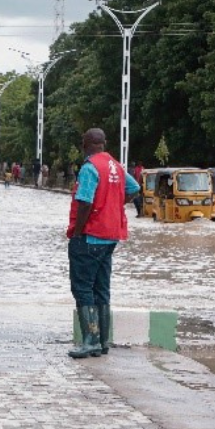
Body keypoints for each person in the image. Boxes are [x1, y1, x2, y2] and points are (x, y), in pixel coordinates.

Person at [65, 128, 140, 359]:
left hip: (89, 236)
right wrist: (114, 204)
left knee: (83, 288)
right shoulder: (115, 165)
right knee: (101, 288)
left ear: (85, 144)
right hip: (111, 236)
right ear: (103, 144)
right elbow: (134, 188)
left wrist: (77, 233)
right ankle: (103, 342)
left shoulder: (90, 168)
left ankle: (90, 341)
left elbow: (85, 202)